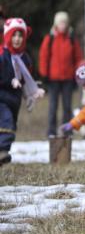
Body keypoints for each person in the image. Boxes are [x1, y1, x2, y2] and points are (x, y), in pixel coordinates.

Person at [0, 18, 46, 165]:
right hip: (1, 97)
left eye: (20, 36)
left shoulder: (25, 59)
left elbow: (26, 79)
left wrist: (31, 93)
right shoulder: (2, 55)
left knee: (11, 123)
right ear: (7, 36)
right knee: (7, 123)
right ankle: (2, 151)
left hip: (14, 99)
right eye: (14, 35)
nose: (17, 39)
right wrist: (9, 80)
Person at [39, 11, 84, 137]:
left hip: (68, 78)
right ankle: (51, 131)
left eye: (64, 22)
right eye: (60, 22)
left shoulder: (71, 39)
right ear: (56, 24)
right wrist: (44, 74)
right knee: (53, 106)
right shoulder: (50, 38)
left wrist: (77, 74)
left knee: (67, 106)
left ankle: (66, 130)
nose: (62, 25)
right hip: (53, 78)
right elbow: (44, 56)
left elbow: (78, 57)